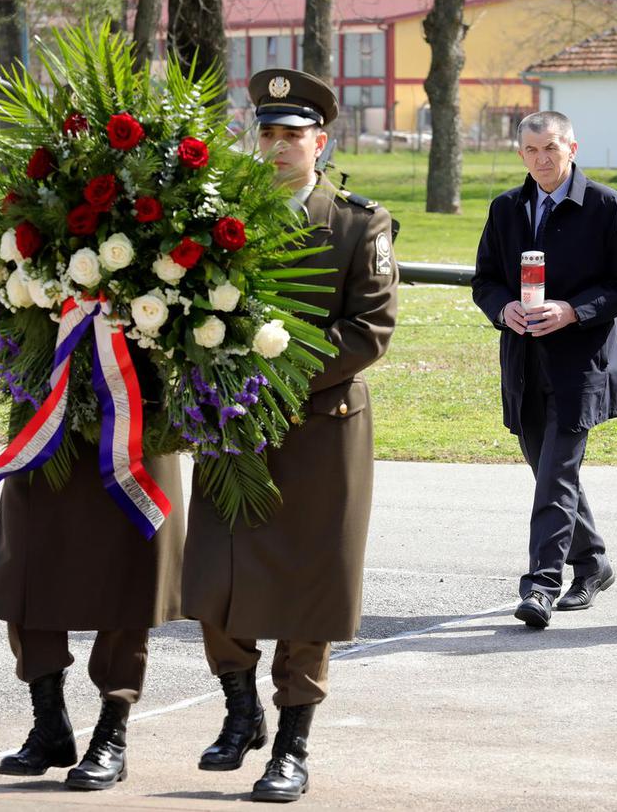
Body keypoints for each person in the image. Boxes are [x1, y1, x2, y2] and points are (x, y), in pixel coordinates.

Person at [181, 67, 398, 804]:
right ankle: (241, 711)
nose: (276, 148)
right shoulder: (224, 219)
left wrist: (277, 374)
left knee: (310, 588)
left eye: (291, 136)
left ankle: (294, 746)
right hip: (233, 427)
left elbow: (369, 330)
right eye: (267, 133)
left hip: (319, 430)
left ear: (321, 142)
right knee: (213, 573)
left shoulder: (359, 223)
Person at [0, 353, 185, 789]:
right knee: (30, 560)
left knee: (130, 566)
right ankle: (49, 721)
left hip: (137, 392)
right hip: (49, 390)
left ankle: (112, 732)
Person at [472, 111, 617, 631]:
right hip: (523, 364)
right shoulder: (506, 208)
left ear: (573, 146)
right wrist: (502, 308)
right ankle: (593, 561)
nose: (542, 159)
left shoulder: (605, 205)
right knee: (550, 470)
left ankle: (542, 584)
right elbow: (484, 280)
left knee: (555, 475)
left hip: (581, 366)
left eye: (551, 148)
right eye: (531, 151)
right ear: (520, 154)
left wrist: (571, 310)